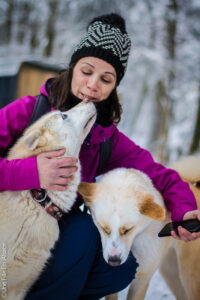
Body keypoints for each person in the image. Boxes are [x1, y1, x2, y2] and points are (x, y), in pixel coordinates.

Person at [0, 13, 200, 300]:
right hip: (9, 225)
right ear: (72, 69)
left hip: (57, 229)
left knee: (113, 263)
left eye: (106, 79)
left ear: (113, 87)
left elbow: (159, 175)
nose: (93, 85)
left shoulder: (105, 137)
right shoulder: (28, 112)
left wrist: (184, 209)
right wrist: (32, 172)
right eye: (86, 71)